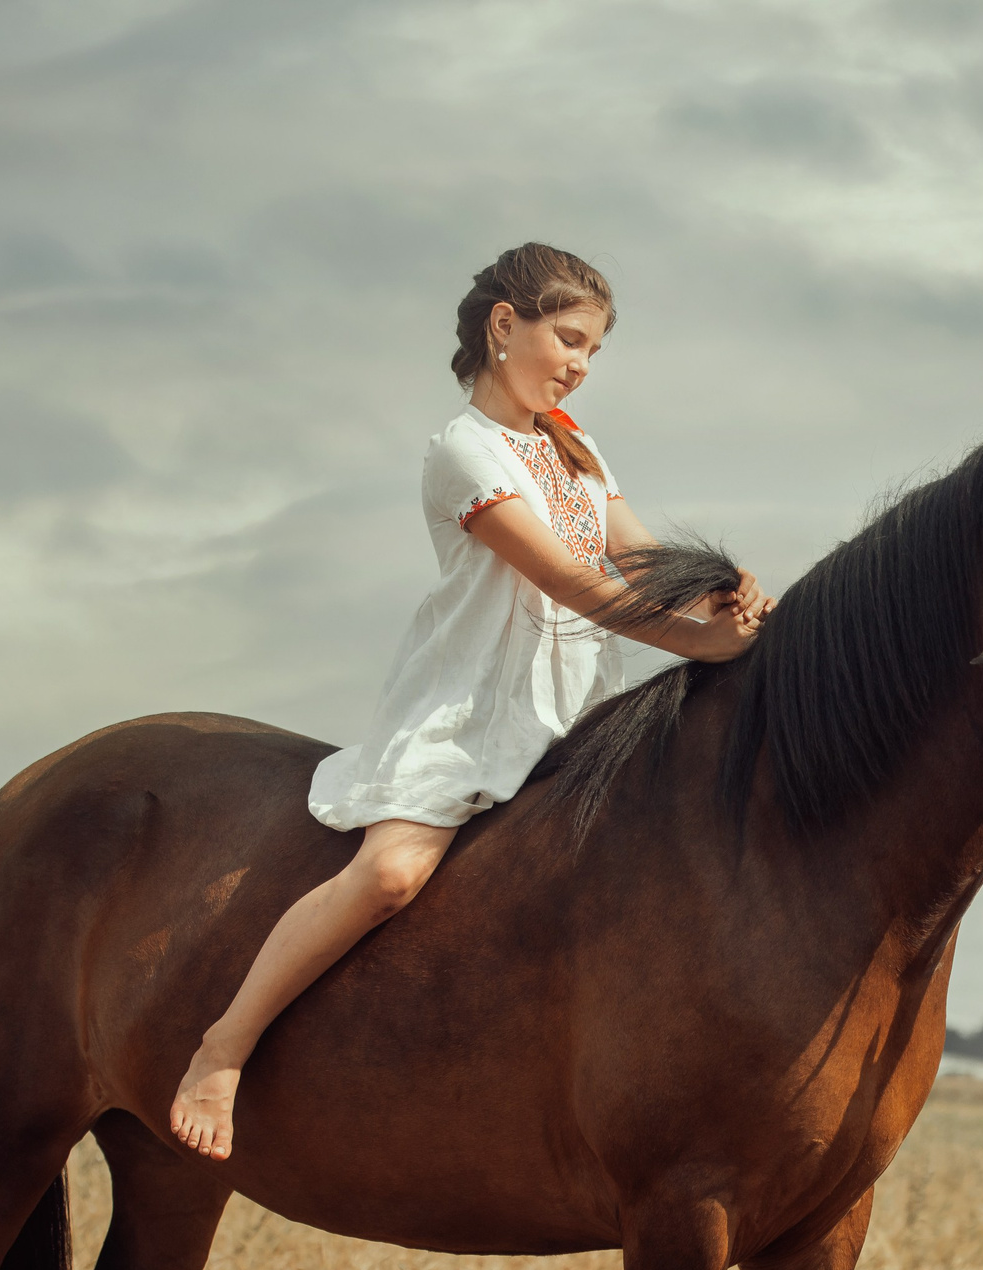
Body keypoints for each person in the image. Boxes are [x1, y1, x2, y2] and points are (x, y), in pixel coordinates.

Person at [171, 244, 771, 1159]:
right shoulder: (464, 451)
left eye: (592, 352)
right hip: (471, 712)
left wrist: (728, 596)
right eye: (568, 339)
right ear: (505, 325)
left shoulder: (574, 445)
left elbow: (637, 558)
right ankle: (223, 1050)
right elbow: (573, 582)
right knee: (389, 876)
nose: (579, 364)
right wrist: (696, 643)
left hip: (573, 712)